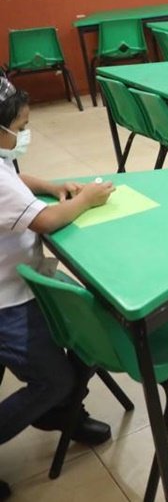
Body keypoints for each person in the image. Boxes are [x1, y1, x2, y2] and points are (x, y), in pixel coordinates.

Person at [0, 76, 115, 500]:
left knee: (84, 328)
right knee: (54, 378)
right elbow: (46, 221)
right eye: (22, 125)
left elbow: (14, 175)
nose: (25, 134)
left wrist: (52, 187)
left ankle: (65, 413)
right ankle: (57, 403)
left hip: (24, 281)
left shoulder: (1, 157)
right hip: (6, 299)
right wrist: (85, 200)